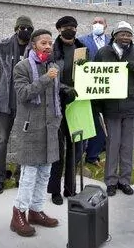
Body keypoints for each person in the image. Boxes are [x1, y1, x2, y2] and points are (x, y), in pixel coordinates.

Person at [9, 29, 76, 237]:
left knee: (45, 173)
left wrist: (64, 88)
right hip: (31, 129)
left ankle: (36, 210)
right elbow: (23, 94)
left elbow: (54, 88)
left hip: (50, 128)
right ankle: (18, 214)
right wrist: (47, 78)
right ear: (34, 45)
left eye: (49, 43)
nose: (48, 46)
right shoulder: (22, 67)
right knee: (29, 175)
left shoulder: (52, 66)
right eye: (43, 43)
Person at [94, 21, 134, 197]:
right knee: (112, 145)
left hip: (132, 107)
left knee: (128, 147)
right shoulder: (103, 53)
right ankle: (111, 181)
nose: (125, 37)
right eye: (122, 34)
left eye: (129, 34)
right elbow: (95, 76)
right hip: (111, 108)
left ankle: (125, 181)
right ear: (114, 35)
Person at [0, 16, 34, 194]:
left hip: (26, 104)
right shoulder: (3, 46)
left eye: (29, 28)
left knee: (24, 142)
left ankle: (20, 175)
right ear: (16, 28)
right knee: (1, 141)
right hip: (5, 103)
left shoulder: (34, 48)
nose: (26, 31)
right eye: (23, 27)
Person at [47, 16, 86, 205]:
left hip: (78, 103)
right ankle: (54, 189)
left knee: (75, 147)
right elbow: (51, 75)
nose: (70, 29)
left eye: (73, 27)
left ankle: (70, 188)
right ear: (59, 29)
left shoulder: (82, 49)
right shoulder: (52, 50)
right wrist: (64, 89)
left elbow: (90, 74)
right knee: (59, 149)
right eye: (66, 27)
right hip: (58, 102)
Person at [79, 16, 110, 166]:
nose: (97, 24)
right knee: (89, 121)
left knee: (103, 123)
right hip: (88, 88)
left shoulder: (112, 41)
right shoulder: (82, 40)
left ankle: (93, 155)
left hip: (108, 88)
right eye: (94, 22)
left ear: (106, 26)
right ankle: (81, 155)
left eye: (100, 22)